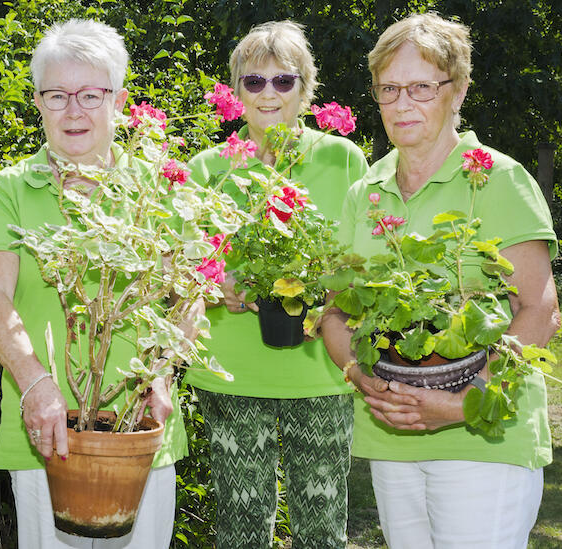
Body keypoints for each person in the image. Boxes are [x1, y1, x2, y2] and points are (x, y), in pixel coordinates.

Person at [321, 13, 560, 549]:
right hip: (392, 435)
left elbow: (540, 310)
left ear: (458, 90)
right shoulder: (366, 192)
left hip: (484, 439)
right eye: (389, 89)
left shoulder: (496, 178)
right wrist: (359, 374)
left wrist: (465, 401)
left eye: (421, 87)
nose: (402, 103)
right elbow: (334, 310)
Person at [0, 19, 184, 549]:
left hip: (139, 426)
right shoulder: (8, 190)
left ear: (120, 101)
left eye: (90, 95)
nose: (73, 111)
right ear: (38, 103)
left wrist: (160, 374)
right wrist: (35, 386)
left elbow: (188, 296)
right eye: (57, 95)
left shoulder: (158, 186)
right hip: (46, 430)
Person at [183, 21, 368, 549]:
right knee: (240, 530)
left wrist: (322, 283)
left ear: (306, 89)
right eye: (254, 81)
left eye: (284, 80)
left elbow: (362, 259)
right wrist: (218, 286)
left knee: (322, 531)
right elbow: (182, 266)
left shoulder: (342, 159)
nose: (269, 93)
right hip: (233, 372)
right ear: (236, 91)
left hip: (322, 370)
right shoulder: (208, 169)